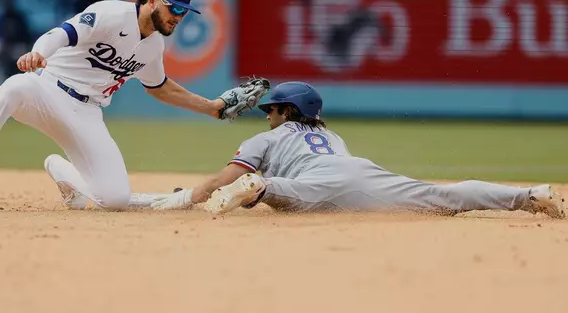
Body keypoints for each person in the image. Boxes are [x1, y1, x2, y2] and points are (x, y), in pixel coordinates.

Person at [0, 0, 268, 211]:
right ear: (152, 1)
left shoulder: (153, 47)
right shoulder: (110, 13)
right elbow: (61, 34)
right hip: (46, 90)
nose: (180, 17)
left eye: (185, 11)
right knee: (11, 88)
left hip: (86, 113)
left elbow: (161, 89)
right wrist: (38, 53)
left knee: (116, 199)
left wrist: (212, 106)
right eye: (175, 8)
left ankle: (61, 171)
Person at [148, 81, 566, 219]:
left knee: (281, 194)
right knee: (443, 196)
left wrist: (187, 198)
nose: (266, 114)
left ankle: (260, 188)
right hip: (360, 171)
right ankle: (529, 196)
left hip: (315, 181)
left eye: (271, 108)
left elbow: (225, 178)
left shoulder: (267, 138)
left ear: (287, 110)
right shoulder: (331, 136)